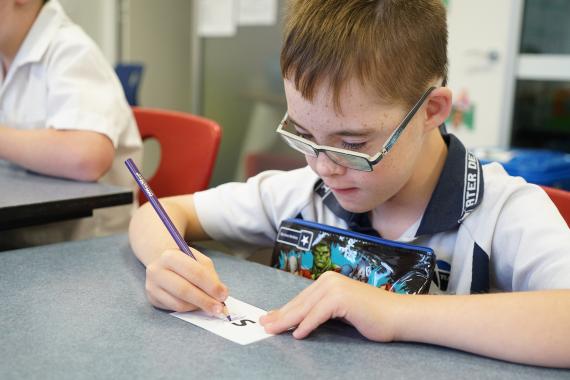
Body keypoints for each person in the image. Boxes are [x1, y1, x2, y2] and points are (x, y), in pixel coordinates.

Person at [128, 0, 570, 367]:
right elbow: (159, 213)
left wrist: (396, 312)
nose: (323, 166)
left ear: (432, 111)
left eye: (352, 142)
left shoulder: (503, 212)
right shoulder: (304, 191)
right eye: (303, 134)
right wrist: (168, 262)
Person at [0, 0, 142, 248]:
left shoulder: (71, 50)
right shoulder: (7, 53)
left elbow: (87, 157)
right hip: (24, 235)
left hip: (86, 247)